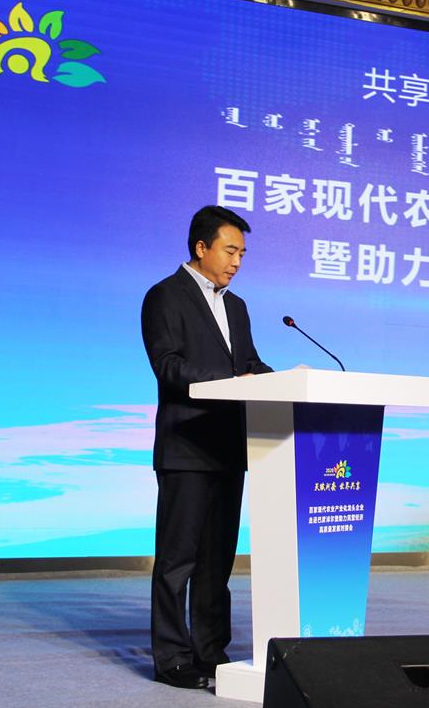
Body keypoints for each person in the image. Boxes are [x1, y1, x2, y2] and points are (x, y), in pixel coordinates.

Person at [140, 205, 273, 689]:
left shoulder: (237, 306)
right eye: (230, 250)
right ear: (201, 247)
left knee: (217, 562)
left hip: (229, 448)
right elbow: (169, 366)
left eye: (243, 254)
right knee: (178, 561)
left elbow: (250, 363)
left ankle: (211, 650)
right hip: (186, 447)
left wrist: (284, 381)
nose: (237, 262)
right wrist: (232, 381)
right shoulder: (164, 296)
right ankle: (172, 658)